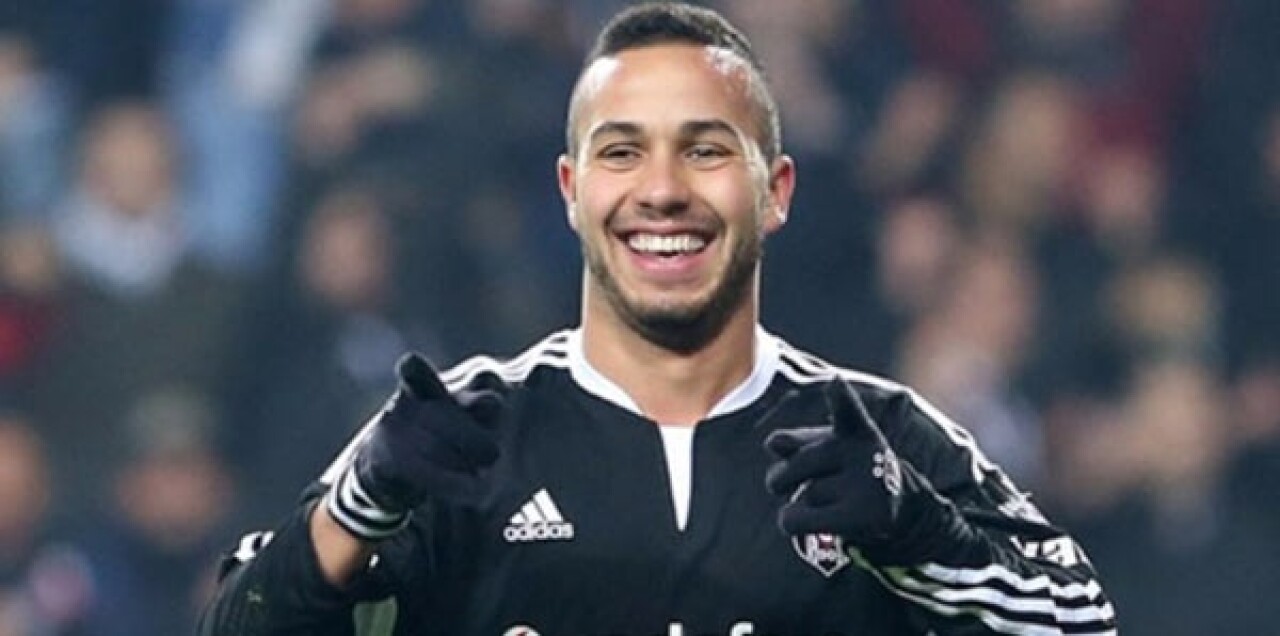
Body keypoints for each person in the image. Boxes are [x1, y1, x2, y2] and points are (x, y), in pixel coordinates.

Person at [199, 3, 1117, 634]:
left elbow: (1085, 623)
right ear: (571, 191)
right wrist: (359, 507)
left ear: (776, 191)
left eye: (706, 150)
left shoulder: (878, 437)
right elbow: (235, 623)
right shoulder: (462, 433)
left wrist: (920, 534)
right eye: (622, 152)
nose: (663, 190)